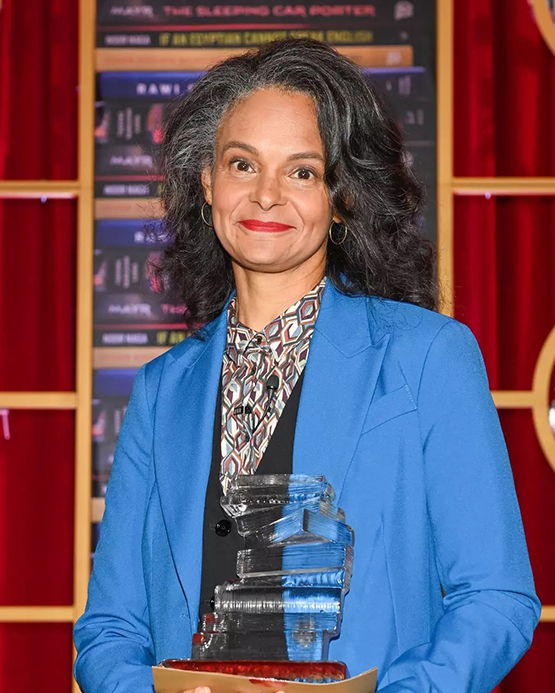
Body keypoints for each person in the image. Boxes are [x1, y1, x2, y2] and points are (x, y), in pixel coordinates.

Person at [73, 37, 540, 693]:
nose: (266, 195)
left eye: (301, 171)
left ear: (340, 196)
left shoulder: (427, 357)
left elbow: (496, 597)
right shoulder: (159, 391)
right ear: (206, 180)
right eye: (242, 164)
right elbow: (109, 627)